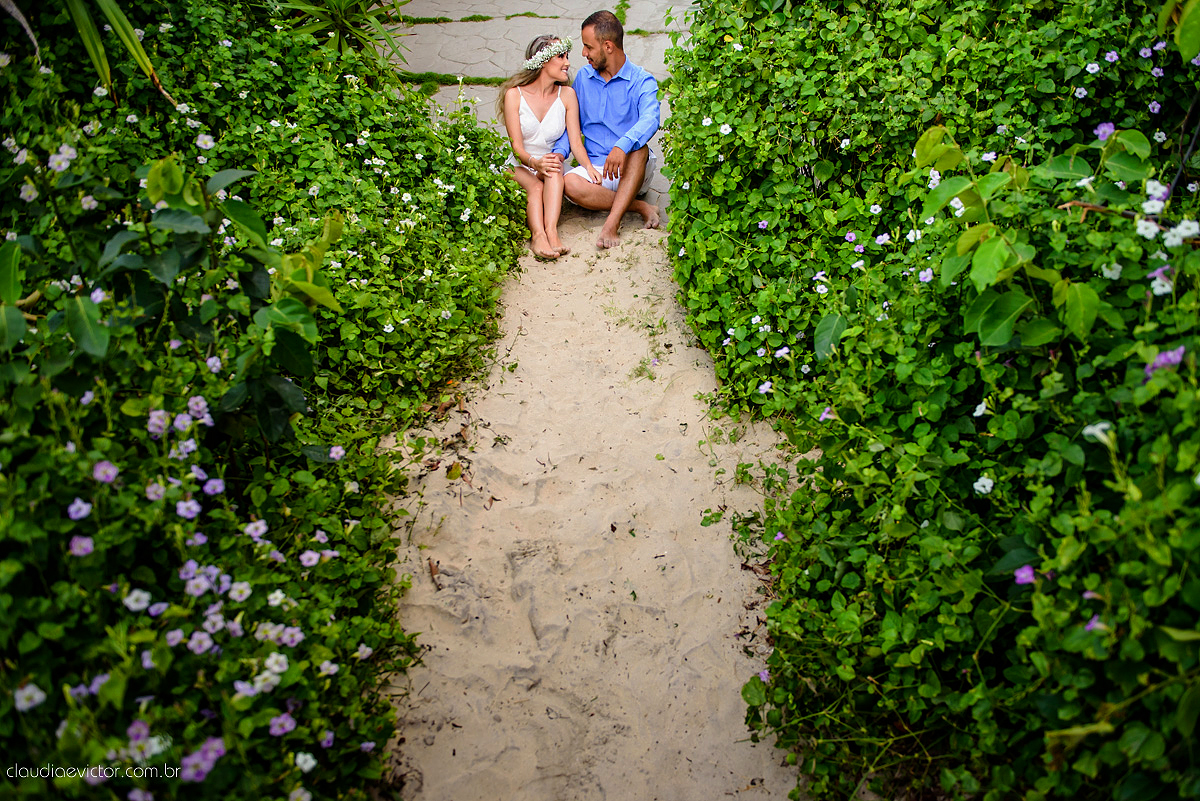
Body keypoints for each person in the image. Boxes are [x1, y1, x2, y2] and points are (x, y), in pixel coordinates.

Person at [550, 10, 661, 250]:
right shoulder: (583, 79)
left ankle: (612, 223)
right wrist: (560, 152)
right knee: (569, 183)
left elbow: (651, 118)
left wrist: (623, 145)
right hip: (597, 172)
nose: (583, 53)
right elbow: (572, 125)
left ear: (608, 46)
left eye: (588, 47)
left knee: (639, 149)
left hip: (631, 168)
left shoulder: (642, 81)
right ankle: (639, 206)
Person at [498, 35, 600, 260]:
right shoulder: (514, 95)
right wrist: (535, 163)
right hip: (518, 163)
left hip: (547, 162)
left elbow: (575, 141)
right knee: (535, 186)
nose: (567, 63)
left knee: (556, 168)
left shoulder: (567, 95)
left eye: (567, 56)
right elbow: (516, 147)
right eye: (561, 57)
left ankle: (552, 232)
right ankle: (538, 236)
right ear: (543, 62)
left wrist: (589, 167)